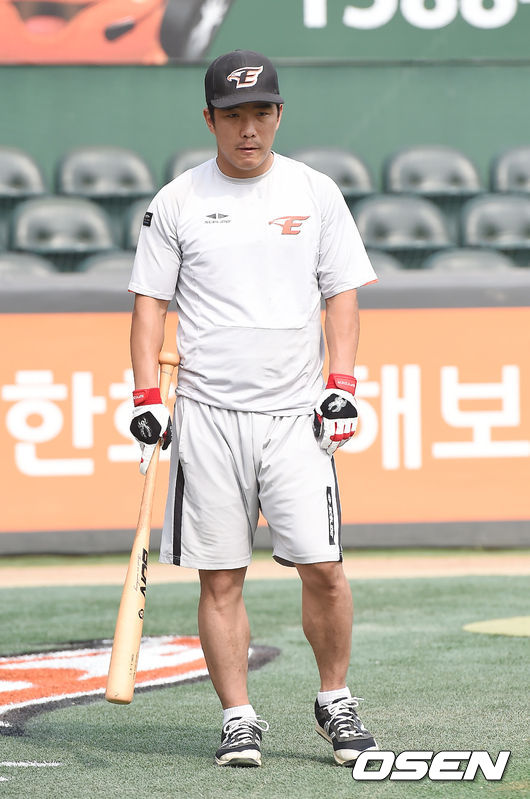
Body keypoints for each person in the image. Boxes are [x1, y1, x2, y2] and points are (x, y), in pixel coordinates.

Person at [128, 49, 378, 768]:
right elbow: (149, 307)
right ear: (208, 118)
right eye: (233, 114)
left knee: (323, 567)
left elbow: (341, 295)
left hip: (296, 415)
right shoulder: (177, 200)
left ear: (278, 114)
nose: (249, 128)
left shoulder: (315, 192)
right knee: (221, 577)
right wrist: (146, 399)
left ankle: (335, 699)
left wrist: (342, 382)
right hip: (207, 415)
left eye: (261, 112)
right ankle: (238, 717)